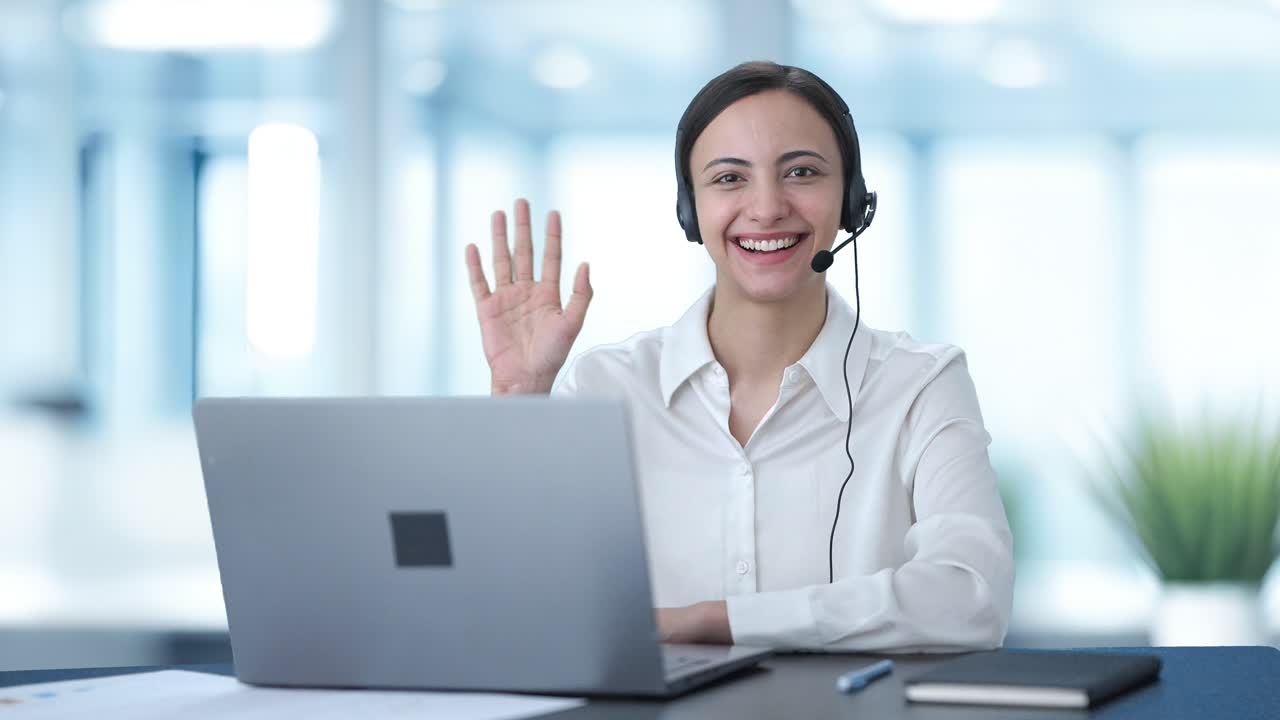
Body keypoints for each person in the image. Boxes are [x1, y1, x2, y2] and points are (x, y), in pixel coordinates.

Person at [463, 61, 1013, 653]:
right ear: (689, 209)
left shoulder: (922, 386)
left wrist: (713, 620)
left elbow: (970, 599)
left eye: (801, 171)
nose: (768, 207)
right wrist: (518, 403)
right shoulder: (608, 387)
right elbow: (510, 602)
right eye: (729, 178)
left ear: (853, 200)